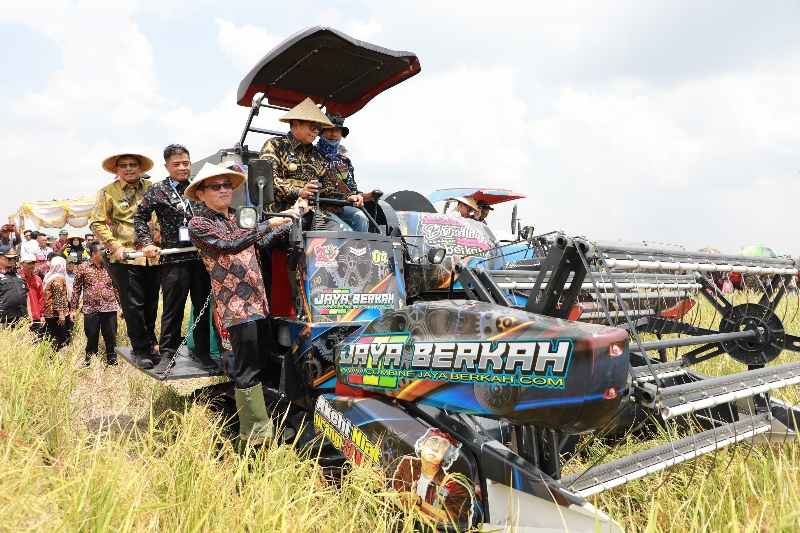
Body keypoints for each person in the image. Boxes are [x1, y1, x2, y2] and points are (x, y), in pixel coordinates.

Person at [186, 163, 306, 446]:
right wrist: (269, 223)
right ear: (200, 194)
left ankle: (269, 423)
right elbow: (230, 244)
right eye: (216, 186)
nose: (225, 190)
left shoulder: (236, 217)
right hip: (236, 307)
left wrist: (292, 217)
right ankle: (255, 437)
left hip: (258, 303)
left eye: (227, 185)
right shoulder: (199, 224)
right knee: (247, 371)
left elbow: (257, 244)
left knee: (262, 365)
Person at [134, 144, 214, 370]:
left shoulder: (199, 187)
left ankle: (202, 353)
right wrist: (147, 243)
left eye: (186, 163)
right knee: (173, 308)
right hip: (173, 259)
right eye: (177, 164)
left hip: (199, 258)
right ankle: (168, 353)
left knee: (202, 307)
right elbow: (139, 217)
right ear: (167, 166)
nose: (182, 167)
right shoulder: (157, 190)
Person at [89, 152, 160, 369]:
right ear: (117, 170)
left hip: (151, 256)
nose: (129, 169)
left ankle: (151, 343)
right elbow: (97, 223)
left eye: (133, 165)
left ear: (140, 168)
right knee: (133, 305)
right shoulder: (107, 193)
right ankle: (140, 349)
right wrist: (115, 246)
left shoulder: (152, 189)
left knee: (151, 303)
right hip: (124, 257)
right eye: (124, 166)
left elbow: (161, 215)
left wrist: (159, 236)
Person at [257, 97, 336, 212]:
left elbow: (329, 188)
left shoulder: (318, 156)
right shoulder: (274, 145)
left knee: (350, 224)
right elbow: (267, 181)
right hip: (281, 214)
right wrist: (300, 192)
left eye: (319, 128)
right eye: (313, 126)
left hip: (313, 214)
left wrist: (349, 197)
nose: (316, 131)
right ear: (295, 124)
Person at [391, 428, 472, 525]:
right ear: (423, 444)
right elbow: (397, 495)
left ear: (447, 453)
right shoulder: (408, 464)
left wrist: (419, 502)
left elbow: (454, 521)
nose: (436, 448)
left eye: (443, 444)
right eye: (434, 440)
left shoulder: (455, 486)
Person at [315, 114, 370, 232]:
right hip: (318, 207)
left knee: (360, 217)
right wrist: (348, 196)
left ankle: (360, 248)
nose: (333, 134)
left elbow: (352, 188)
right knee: (346, 232)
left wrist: (362, 196)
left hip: (341, 207)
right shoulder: (311, 155)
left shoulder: (344, 161)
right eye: (329, 130)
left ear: (341, 134)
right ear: (321, 132)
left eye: (337, 131)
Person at [71, 242, 120, 366]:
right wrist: (72, 309)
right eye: (101, 251)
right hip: (90, 309)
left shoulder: (111, 266)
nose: (105, 253)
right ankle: (90, 361)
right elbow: (76, 289)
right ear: (93, 254)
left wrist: (122, 307)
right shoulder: (83, 267)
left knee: (111, 336)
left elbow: (116, 287)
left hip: (109, 307)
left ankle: (112, 360)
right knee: (91, 335)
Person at [42, 256, 73, 351]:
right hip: (56, 315)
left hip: (50, 313)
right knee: (61, 339)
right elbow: (58, 297)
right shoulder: (58, 279)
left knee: (52, 337)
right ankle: (59, 360)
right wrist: (61, 315)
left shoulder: (49, 277)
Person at [0, 249, 28, 326]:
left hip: (21, 317)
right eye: (9, 258)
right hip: (4, 319)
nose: (12, 261)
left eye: (15, 258)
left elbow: (26, 296)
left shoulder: (19, 276)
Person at [19, 253, 45, 331]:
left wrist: (42, 315)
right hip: (22, 317)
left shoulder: (38, 279)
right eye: (29, 263)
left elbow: (41, 299)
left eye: (33, 263)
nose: (32, 265)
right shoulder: (18, 279)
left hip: (36, 317)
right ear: (22, 264)